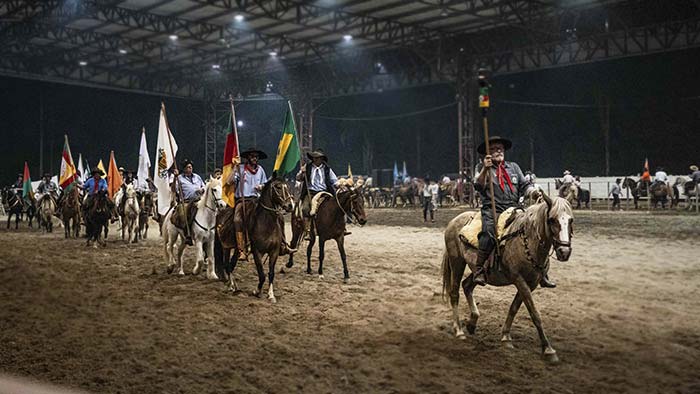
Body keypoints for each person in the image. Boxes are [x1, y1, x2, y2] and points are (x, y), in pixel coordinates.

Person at [473, 136, 553, 288]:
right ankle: (479, 270)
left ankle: (542, 272)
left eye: (500, 149)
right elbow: (478, 185)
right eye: (494, 149)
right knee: (488, 234)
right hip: (493, 209)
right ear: (487, 153)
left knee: (536, 230)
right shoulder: (481, 167)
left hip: (514, 208)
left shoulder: (514, 167)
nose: (498, 151)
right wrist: (485, 168)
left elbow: (524, 185)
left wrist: (534, 193)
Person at [296, 148, 341, 239]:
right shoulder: (307, 167)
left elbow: (334, 180)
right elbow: (298, 178)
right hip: (311, 193)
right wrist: (302, 173)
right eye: (314, 157)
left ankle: (340, 228)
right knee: (305, 208)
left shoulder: (327, 169)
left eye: (318, 158)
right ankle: (308, 230)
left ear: (322, 159)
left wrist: (339, 184)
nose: (316, 159)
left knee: (338, 207)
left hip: (324, 192)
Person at [171, 159, 205, 246]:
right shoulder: (179, 178)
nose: (190, 168)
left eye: (191, 167)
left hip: (199, 200)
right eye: (188, 167)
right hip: (186, 201)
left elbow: (204, 186)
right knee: (183, 214)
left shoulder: (197, 177)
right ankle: (187, 234)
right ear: (184, 169)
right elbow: (174, 189)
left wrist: (202, 190)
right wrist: (175, 178)